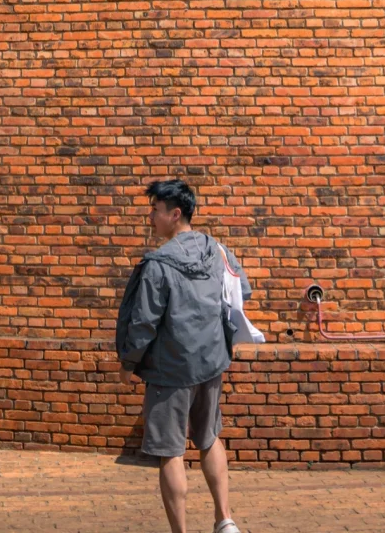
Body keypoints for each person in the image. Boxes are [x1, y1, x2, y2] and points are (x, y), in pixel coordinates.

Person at [116, 178, 252, 533]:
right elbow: (242, 290)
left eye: (155, 210)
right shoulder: (217, 250)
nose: (150, 216)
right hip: (210, 364)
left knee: (170, 453)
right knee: (209, 439)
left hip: (169, 371)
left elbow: (144, 321)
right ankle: (225, 520)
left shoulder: (158, 265)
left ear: (175, 214)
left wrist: (129, 363)